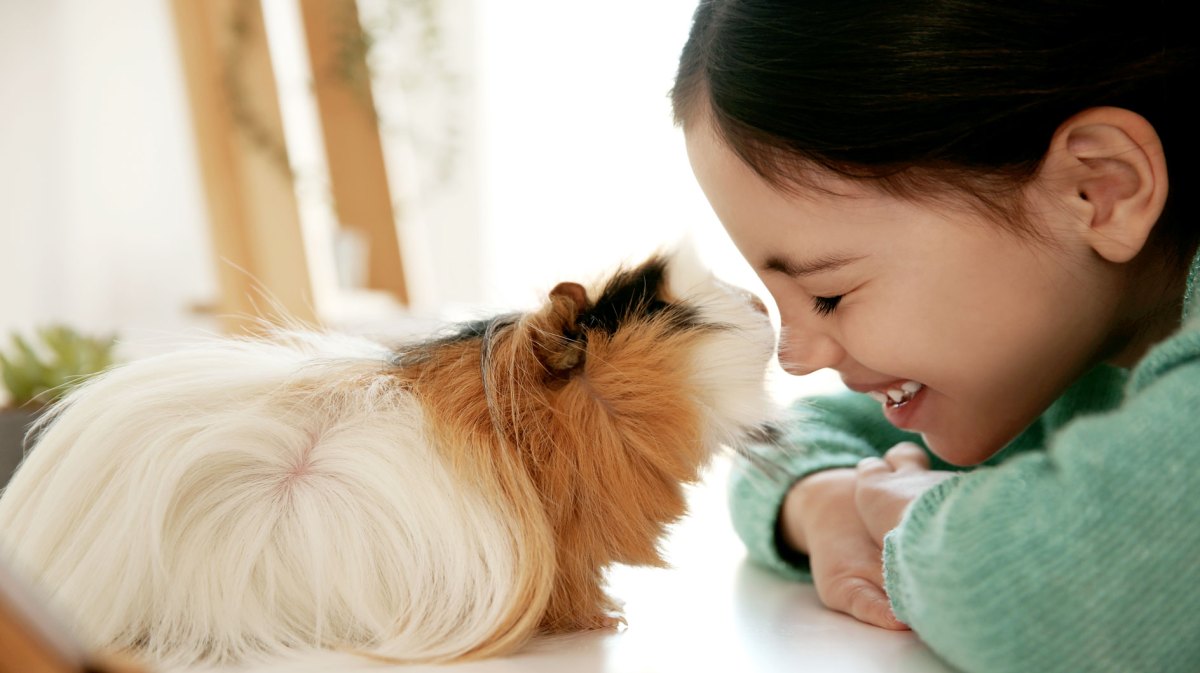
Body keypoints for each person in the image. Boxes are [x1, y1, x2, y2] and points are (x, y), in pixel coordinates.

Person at [670, 1, 1198, 671]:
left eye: (828, 294)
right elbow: (787, 440)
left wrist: (908, 513)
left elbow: (1059, 590)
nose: (795, 357)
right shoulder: (1046, 365)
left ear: (1099, 191)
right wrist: (823, 495)